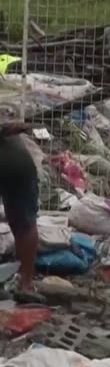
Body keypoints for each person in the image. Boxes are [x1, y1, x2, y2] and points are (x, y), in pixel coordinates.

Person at [0, 119, 44, 302]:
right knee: (25, 223)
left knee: (24, 224)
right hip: (16, 159)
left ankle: (24, 281)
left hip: (12, 160)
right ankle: (25, 283)